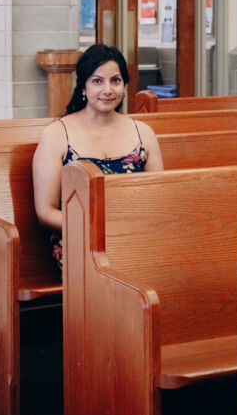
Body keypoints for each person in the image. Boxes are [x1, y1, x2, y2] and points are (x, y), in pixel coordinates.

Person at [32, 43, 164, 269]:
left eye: (115, 81)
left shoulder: (143, 133)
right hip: (80, 240)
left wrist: (132, 230)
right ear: (83, 87)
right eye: (97, 81)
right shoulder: (57, 134)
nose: (108, 90)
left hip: (134, 237)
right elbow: (45, 211)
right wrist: (100, 228)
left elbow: (158, 199)